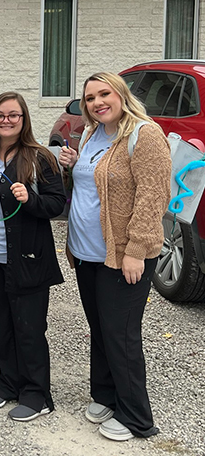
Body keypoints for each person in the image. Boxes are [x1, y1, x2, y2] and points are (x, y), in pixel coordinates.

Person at [58, 72, 170, 442]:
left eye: (104, 94)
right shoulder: (92, 134)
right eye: (90, 98)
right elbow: (98, 184)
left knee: (121, 334)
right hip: (88, 254)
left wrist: (137, 251)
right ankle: (105, 395)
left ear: (121, 94)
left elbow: (152, 197)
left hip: (123, 256)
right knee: (100, 328)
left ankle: (137, 416)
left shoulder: (144, 134)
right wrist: (75, 164)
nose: (97, 102)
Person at [0, 91, 65, 422]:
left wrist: (29, 199)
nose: (6, 121)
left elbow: (56, 204)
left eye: (13, 115)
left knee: (29, 328)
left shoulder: (39, 158)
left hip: (27, 259)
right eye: (0, 115)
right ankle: (8, 381)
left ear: (24, 120)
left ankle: (37, 394)